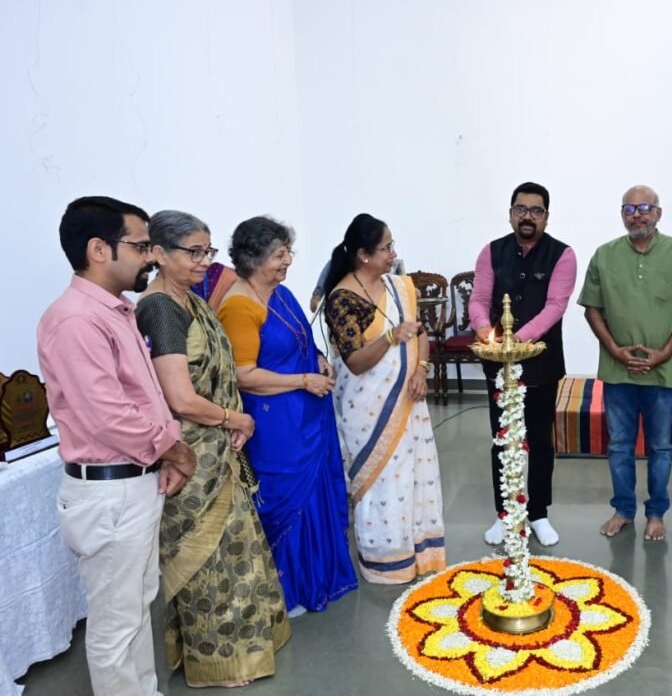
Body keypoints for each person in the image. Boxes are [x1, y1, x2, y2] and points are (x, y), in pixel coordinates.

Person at [37, 196, 196, 696]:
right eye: (141, 246)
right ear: (98, 249)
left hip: (134, 482)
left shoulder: (115, 312)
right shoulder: (76, 320)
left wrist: (162, 455)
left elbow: (142, 397)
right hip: (109, 494)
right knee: (115, 625)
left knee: (136, 609)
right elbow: (108, 416)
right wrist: (175, 449)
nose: (150, 256)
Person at [135, 210, 291, 687]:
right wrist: (234, 418)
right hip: (192, 457)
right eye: (193, 252)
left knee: (236, 553)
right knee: (207, 562)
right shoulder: (160, 308)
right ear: (158, 254)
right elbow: (180, 398)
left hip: (220, 447)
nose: (204, 261)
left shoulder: (190, 300)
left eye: (208, 251)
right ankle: (216, 661)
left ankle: (243, 646)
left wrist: (231, 421)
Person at [217, 216, 357, 617]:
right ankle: (287, 589)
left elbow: (301, 340)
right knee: (287, 499)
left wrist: (318, 358)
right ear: (254, 258)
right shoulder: (239, 306)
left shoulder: (281, 293)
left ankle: (320, 578)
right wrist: (302, 380)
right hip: (277, 422)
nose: (288, 261)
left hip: (309, 412)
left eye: (287, 252)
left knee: (317, 495)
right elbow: (243, 375)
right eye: (280, 255)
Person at [578, 184, 672, 541]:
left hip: (663, 370)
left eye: (645, 208)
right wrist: (614, 350)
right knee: (619, 445)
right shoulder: (605, 255)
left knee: (660, 447)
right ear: (622, 214)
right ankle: (623, 510)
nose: (637, 215)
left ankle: (656, 513)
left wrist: (664, 353)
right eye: (629, 209)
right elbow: (592, 308)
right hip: (618, 370)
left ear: (658, 213)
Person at [322, 214, 446, 583]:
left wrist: (421, 370)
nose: (393, 253)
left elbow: (419, 333)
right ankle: (385, 562)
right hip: (367, 409)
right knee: (382, 482)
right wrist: (391, 337)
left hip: (409, 400)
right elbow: (356, 362)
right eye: (386, 247)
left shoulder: (399, 286)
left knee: (412, 476)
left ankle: (419, 553)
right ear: (363, 254)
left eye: (392, 245)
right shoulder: (342, 299)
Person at [471, 181, 577, 547]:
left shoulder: (562, 255)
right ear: (510, 213)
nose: (527, 216)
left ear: (546, 216)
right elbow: (479, 299)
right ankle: (505, 513)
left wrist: (517, 341)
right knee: (503, 440)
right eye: (521, 209)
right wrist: (484, 331)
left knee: (540, 442)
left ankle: (538, 512)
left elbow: (555, 306)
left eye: (535, 210)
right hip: (499, 366)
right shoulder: (491, 251)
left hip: (541, 365)